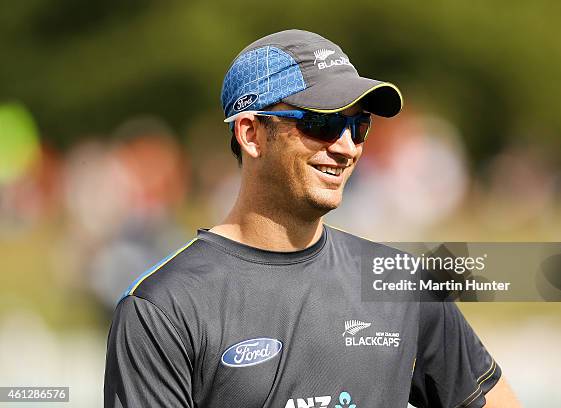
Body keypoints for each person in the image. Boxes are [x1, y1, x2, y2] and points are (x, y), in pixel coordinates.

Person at [104, 29, 521, 407]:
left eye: (358, 126)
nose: (347, 147)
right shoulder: (162, 307)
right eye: (322, 123)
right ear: (250, 134)